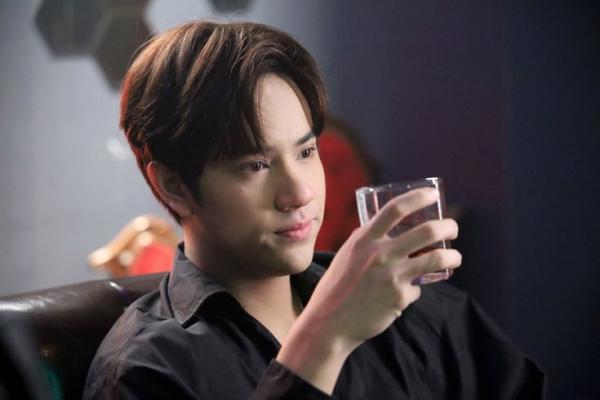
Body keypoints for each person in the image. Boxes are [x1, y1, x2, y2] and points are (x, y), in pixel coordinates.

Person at [83, 21, 546, 399]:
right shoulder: (147, 369)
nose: (300, 193)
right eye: (255, 165)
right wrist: (325, 340)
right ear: (174, 185)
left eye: (306, 152)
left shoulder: (413, 309)